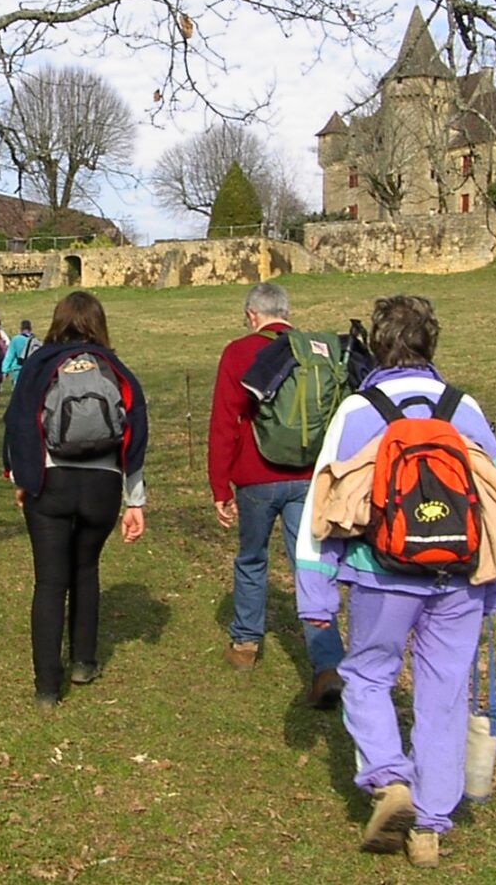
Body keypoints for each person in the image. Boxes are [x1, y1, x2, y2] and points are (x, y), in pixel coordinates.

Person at [294, 295, 496, 868]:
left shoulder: (359, 411)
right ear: (431, 344)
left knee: (366, 674)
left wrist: (314, 593)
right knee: (444, 695)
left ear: (378, 346)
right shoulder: (467, 409)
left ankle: (390, 781)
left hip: (379, 572)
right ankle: (430, 828)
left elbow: (322, 503)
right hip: (460, 578)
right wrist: (493, 587)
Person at [3, 291, 148, 712]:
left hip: (50, 480)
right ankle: (83, 661)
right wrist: (134, 500)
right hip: (102, 483)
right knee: (86, 567)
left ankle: (47, 684)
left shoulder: (41, 364)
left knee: (50, 580)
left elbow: (17, 422)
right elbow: (135, 432)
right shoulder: (114, 367)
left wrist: (19, 476)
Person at [208, 282, 346, 706]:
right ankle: (326, 663)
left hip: (254, 477)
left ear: (252, 314)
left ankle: (246, 644)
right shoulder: (312, 352)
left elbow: (224, 420)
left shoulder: (238, 351)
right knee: (310, 565)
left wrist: (219, 485)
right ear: (286, 312)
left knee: (252, 559)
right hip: (308, 475)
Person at [0, 318, 38, 385]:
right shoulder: (35, 340)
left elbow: (10, 355)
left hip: (17, 369)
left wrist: (4, 370)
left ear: (21, 328)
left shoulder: (16, 339)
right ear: (30, 328)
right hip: (31, 369)